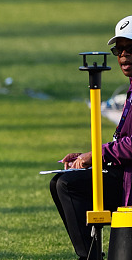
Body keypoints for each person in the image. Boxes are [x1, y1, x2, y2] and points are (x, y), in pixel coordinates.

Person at [51, 15, 132, 260]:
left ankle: (89, 257)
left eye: (130, 49)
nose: (123, 57)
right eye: (119, 50)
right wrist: (90, 156)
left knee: (68, 185)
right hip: (124, 174)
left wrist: (96, 155)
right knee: (59, 183)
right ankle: (88, 255)